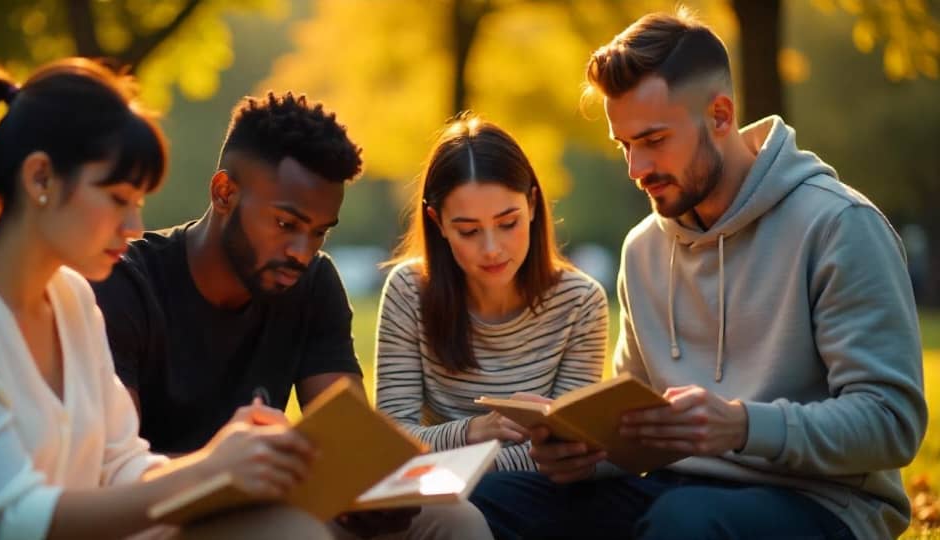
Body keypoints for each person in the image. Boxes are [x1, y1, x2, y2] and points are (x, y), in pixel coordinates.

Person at [470, 10, 928, 540]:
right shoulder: (643, 249)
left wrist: (744, 425)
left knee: (683, 522)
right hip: (675, 490)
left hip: (821, 503)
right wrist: (584, 453)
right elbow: (639, 431)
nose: (636, 169)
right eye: (625, 145)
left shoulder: (839, 225)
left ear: (720, 114)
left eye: (654, 140)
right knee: (491, 500)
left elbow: (891, 422)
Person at [0, 59, 328, 540]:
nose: (133, 227)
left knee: (286, 528)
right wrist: (208, 472)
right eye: (117, 197)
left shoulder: (73, 298)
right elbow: (10, 520)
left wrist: (229, 459)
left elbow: (121, 465)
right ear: (40, 178)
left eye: (138, 202)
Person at [91, 93, 490, 539]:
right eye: (286, 225)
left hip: (269, 503)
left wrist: (371, 490)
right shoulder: (127, 285)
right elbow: (112, 467)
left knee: (456, 520)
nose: (302, 253)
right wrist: (227, 469)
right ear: (225, 193)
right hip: (156, 513)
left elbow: (351, 440)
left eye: (318, 232)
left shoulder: (312, 284)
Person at [376, 115, 608, 471]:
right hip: (439, 502)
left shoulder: (581, 303)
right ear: (437, 223)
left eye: (507, 223)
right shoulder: (408, 292)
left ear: (532, 205)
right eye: (468, 231)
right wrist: (473, 431)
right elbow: (390, 440)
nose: (492, 249)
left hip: (536, 500)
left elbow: (565, 454)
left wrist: (456, 461)